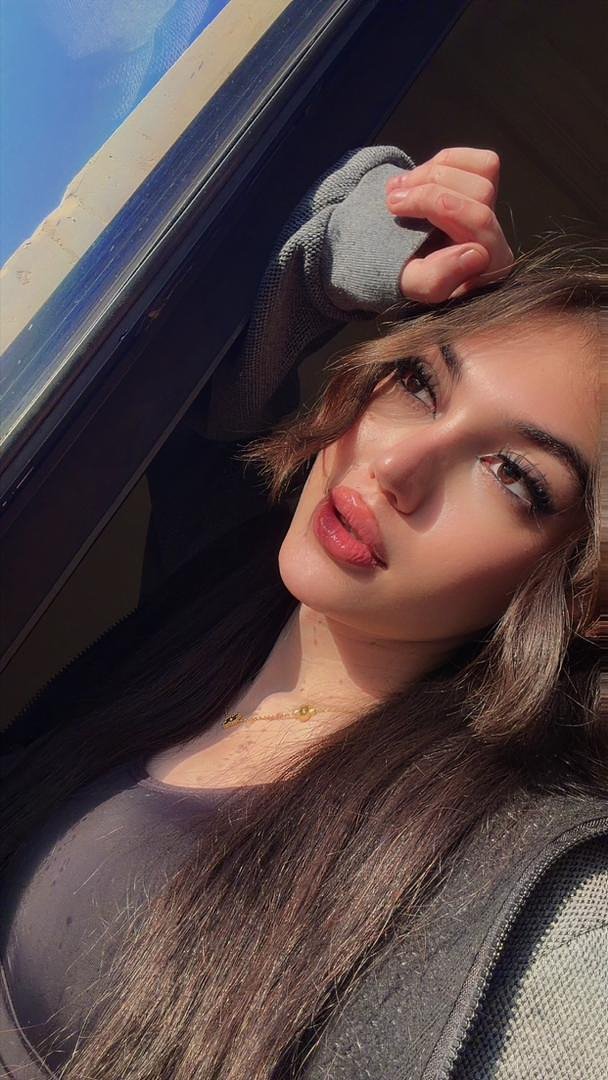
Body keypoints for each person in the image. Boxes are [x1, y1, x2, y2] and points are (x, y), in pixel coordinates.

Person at [0, 145, 606, 1080]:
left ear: (587, 591)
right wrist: (364, 245)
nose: (393, 468)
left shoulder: (521, 885)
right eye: (420, 383)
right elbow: (191, 333)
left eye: (513, 475)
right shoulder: (225, 579)